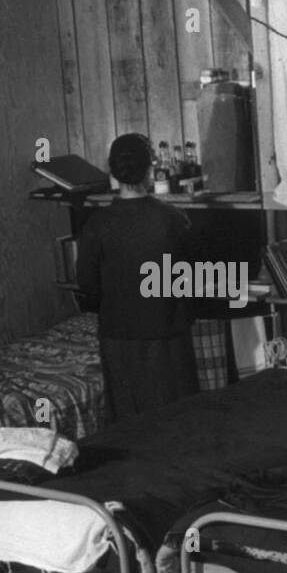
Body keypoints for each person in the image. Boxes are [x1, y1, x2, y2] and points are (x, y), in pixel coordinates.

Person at [75, 133, 199, 422]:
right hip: (168, 334)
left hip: (119, 337)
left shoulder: (97, 224)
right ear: (149, 168)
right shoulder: (173, 218)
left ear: (112, 170)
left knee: (131, 425)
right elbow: (190, 280)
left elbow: (88, 286)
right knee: (179, 421)